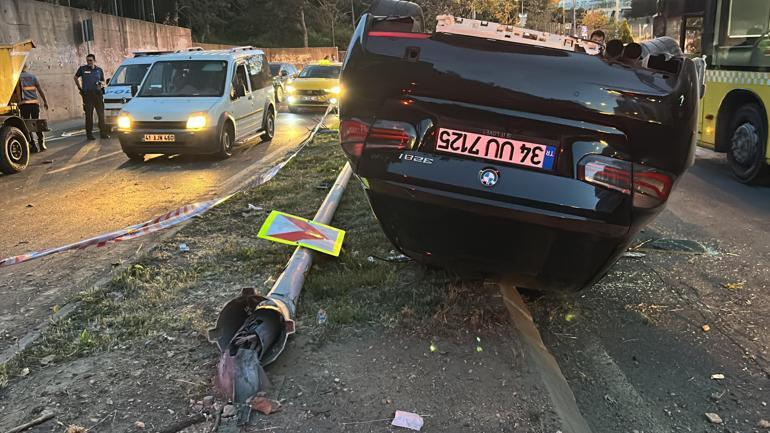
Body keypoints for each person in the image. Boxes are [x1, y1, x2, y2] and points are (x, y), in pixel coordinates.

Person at [74, 53, 109, 140]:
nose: (88, 62)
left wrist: (101, 84)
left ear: (94, 61)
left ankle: (103, 133)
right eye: (87, 60)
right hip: (88, 95)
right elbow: (75, 77)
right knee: (89, 115)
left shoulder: (99, 70)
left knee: (101, 114)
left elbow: (103, 81)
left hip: (98, 94)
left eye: (90, 60)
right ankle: (89, 135)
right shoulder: (83, 69)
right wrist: (80, 88)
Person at [17, 64, 49, 152]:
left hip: (24, 105)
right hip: (34, 104)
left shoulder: (16, 77)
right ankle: (41, 143)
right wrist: (45, 101)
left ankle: (33, 146)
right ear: (26, 67)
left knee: (27, 125)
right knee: (37, 123)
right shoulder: (32, 76)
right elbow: (39, 89)